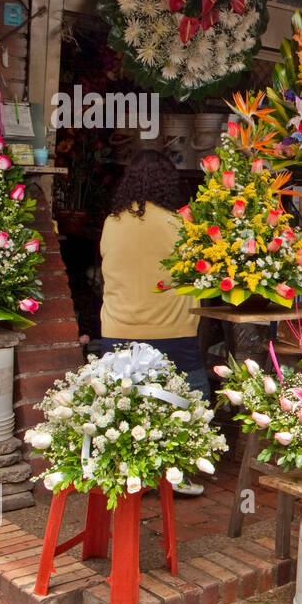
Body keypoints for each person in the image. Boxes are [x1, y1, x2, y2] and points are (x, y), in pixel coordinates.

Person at [100, 151, 207, 496]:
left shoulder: (110, 223)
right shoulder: (181, 226)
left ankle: (133, 474)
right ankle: (179, 473)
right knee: (188, 402)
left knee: (125, 407)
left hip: (118, 331)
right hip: (173, 331)